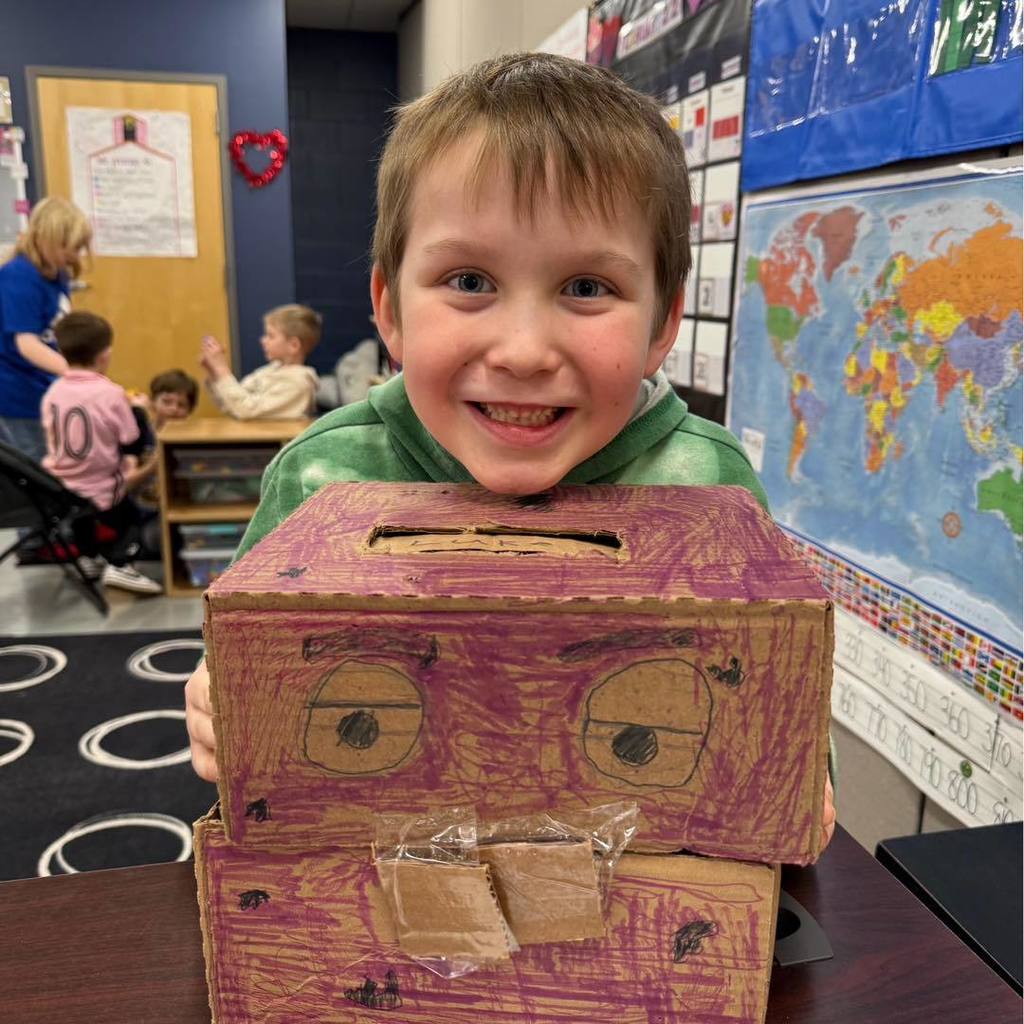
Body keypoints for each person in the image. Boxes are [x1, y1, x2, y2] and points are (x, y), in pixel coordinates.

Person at [184, 53, 835, 851]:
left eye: (587, 288)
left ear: (663, 324)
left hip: (628, 894)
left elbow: (777, 687)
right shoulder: (325, 476)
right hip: (381, 882)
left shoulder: (707, 484)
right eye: (468, 280)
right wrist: (218, 699)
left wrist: (805, 769)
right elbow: (244, 661)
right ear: (390, 310)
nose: (524, 351)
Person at [41, 310, 162, 594]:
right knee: (133, 514)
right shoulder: (110, 392)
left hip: (62, 484)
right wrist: (141, 413)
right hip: (104, 485)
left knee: (83, 512)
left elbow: (51, 436)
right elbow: (130, 438)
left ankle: (89, 556)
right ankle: (121, 564)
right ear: (105, 355)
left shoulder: (53, 392)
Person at [0, 197, 91, 461]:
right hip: (18, 394)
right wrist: (74, 372)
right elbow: (26, 343)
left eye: (79, 247)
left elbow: (58, 330)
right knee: (35, 469)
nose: (75, 255)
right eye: (69, 248)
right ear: (46, 240)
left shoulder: (57, 272)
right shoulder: (19, 277)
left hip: (45, 387)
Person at [199, 304, 321, 420]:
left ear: (293, 345)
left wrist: (222, 370)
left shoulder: (299, 383)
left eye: (270, 336)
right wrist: (214, 374)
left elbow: (246, 411)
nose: (263, 340)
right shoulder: (267, 371)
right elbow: (233, 406)